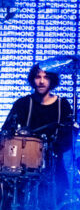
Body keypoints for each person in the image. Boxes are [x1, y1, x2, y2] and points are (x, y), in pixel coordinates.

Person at [1, 64, 73, 201]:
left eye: (46, 77)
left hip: (53, 161)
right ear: (32, 80)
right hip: (24, 164)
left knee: (60, 194)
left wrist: (54, 148)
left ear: (52, 80)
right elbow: (6, 131)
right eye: (37, 77)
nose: (41, 81)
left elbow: (68, 136)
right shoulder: (22, 103)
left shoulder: (62, 105)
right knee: (11, 197)